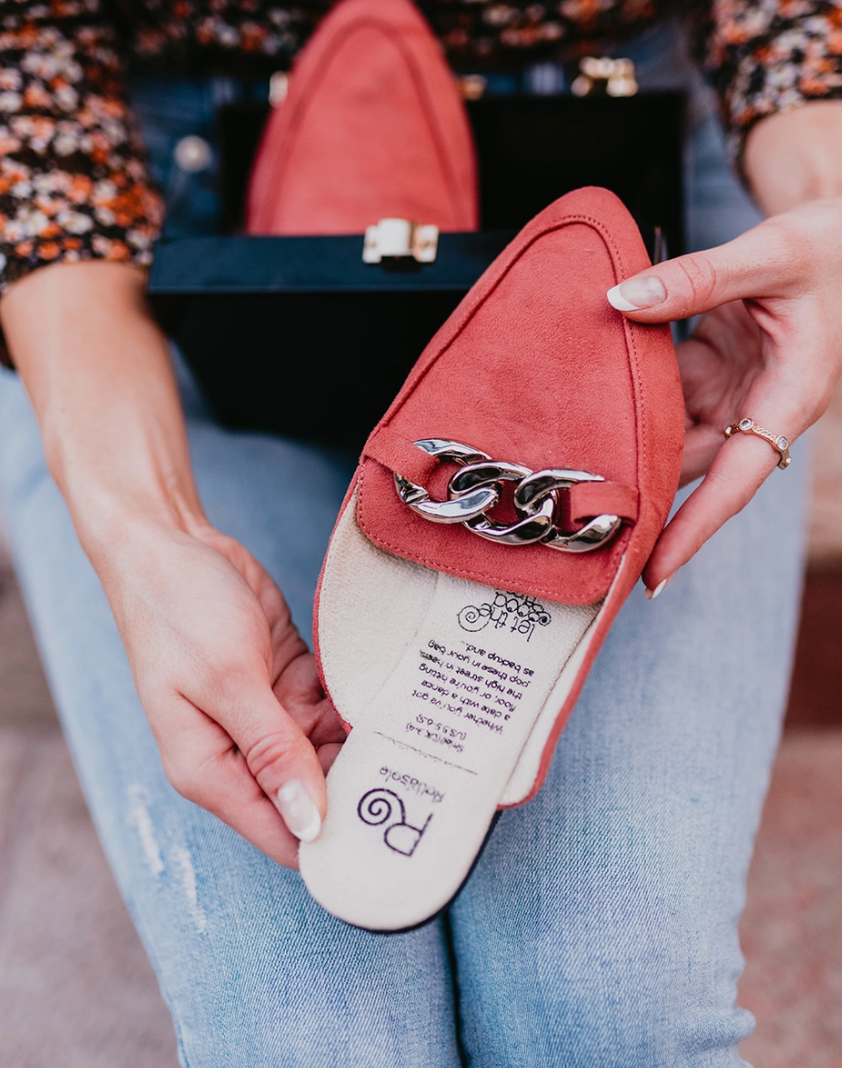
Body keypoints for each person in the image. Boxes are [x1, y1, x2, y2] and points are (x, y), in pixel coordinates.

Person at [0, 0, 839, 1063]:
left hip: (627, 194)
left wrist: (826, 209)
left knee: (607, 998)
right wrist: (145, 533)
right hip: (154, 225)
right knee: (314, 1036)